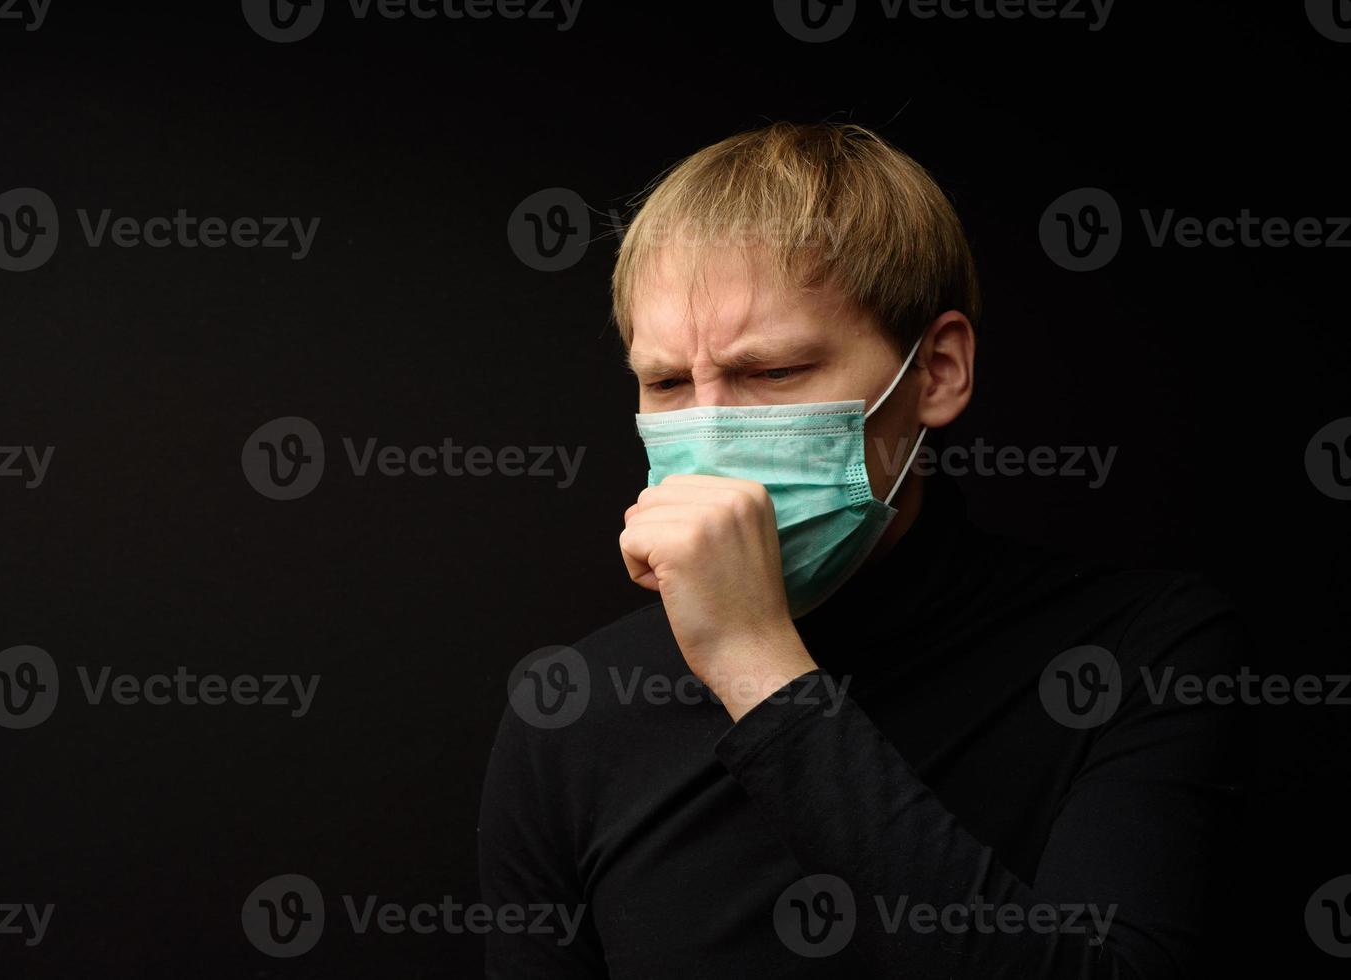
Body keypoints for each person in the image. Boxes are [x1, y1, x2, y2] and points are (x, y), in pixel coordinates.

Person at [478, 121, 1249, 978]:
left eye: (771, 372)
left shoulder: (1136, 653)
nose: (711, 429)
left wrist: (756, 663)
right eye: (665, 384)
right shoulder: (576, 714)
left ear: (938, 370)